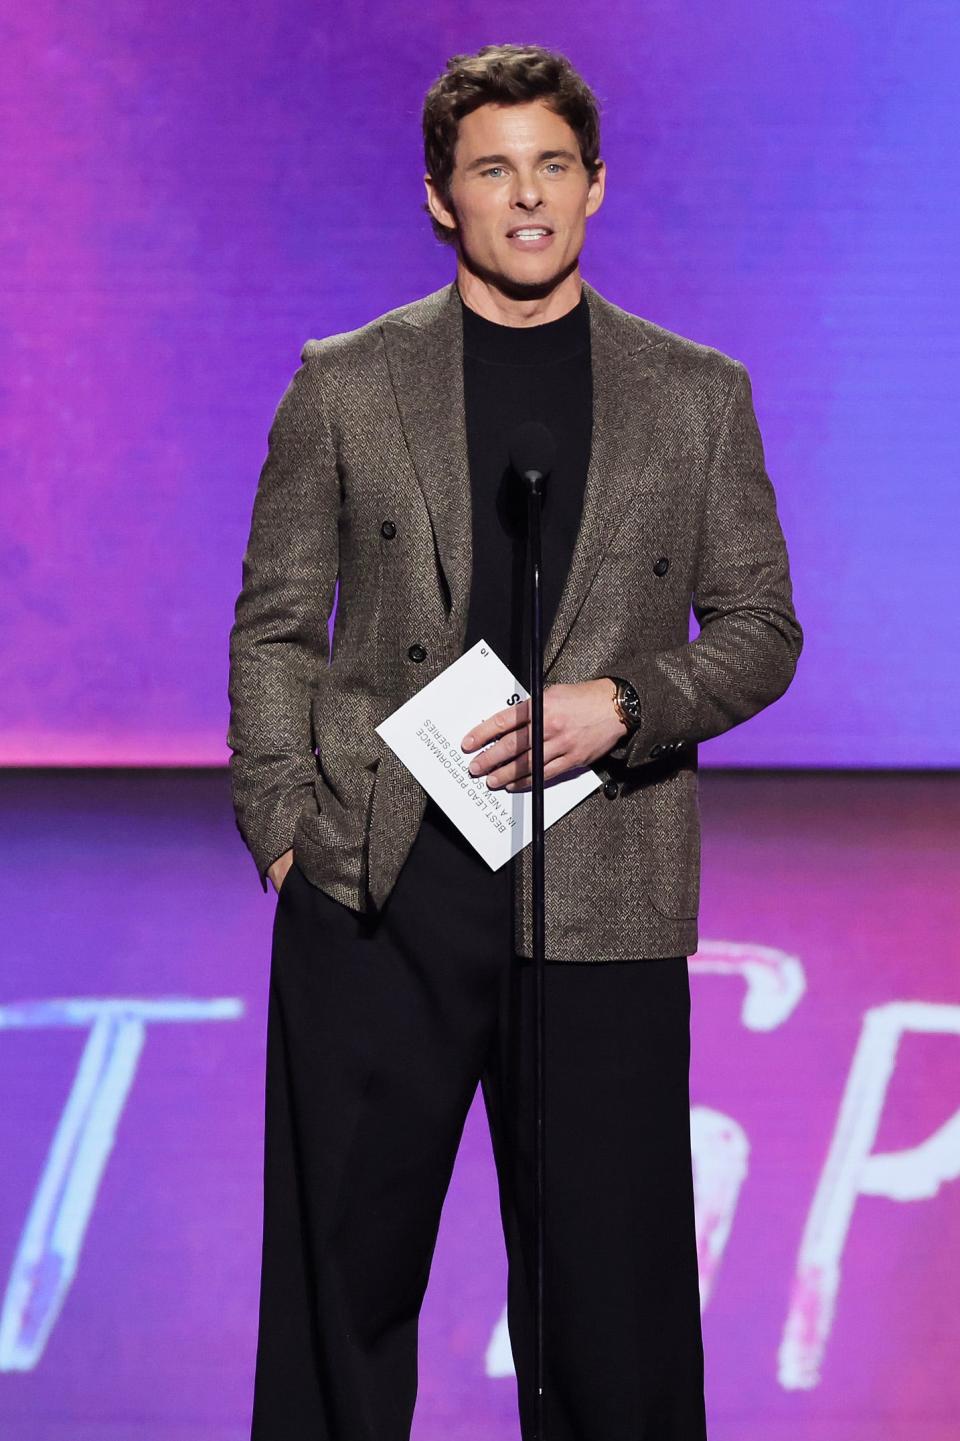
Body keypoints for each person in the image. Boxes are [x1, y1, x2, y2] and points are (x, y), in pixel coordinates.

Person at [226, 42, 802, 1441]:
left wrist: (626, 707)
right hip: (381, 887)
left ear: (597, 187)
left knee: (615, 1312)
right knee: (338, 1302)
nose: (526, 197)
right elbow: (275, 626)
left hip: (601, 889)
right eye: (493, 170)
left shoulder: (695, 394)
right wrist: (290, 835)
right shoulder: (348, 382)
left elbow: (763, 629)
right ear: (443, 199)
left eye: (552, 167)